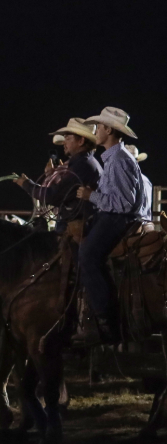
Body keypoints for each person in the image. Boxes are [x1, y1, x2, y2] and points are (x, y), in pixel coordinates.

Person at [76, 108, 147, 345]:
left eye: (98, 127)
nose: (95, 131)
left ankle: (106, 321)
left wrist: (91, 196)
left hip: (118, 218)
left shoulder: (117, 160)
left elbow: (123, 203)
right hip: (115, 216)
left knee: (87, 257)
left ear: (108, 129)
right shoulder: (115, 158)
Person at [14, 117, 102, 226]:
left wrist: (26, 184)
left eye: (68, 138)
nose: (64, 143)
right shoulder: (86, 162)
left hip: (79, 225)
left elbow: (54, 196)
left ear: (81, 141)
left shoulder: (82, 165)